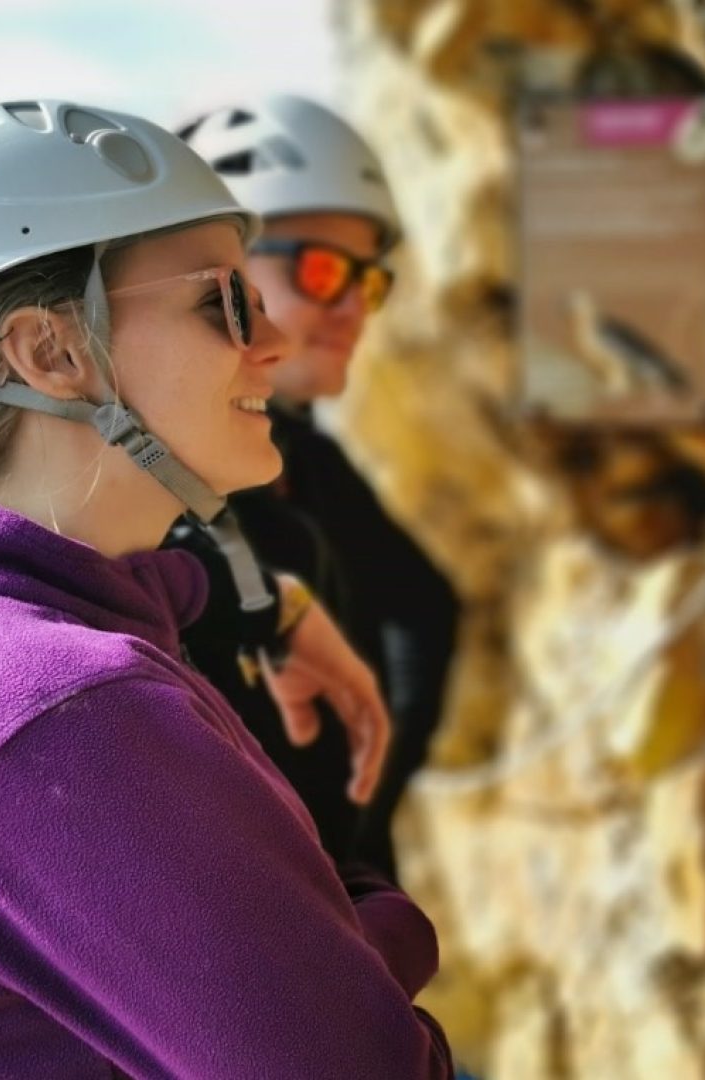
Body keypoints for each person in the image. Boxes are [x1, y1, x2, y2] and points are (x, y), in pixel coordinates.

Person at [0, 99, 452, 1077]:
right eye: (224, 303)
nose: (270, 342)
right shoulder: (61, 709)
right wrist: (379, 928)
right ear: (51, 354)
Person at [174, 94, 461, 882]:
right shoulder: (148, 499)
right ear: (216, 272)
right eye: (324, 269)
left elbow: (423, 605)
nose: (352, 310)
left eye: (367, 282)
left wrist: (356, 830)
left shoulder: (300, 458)